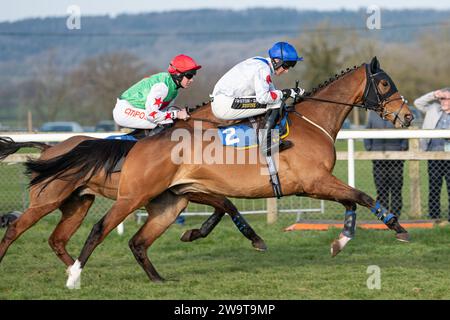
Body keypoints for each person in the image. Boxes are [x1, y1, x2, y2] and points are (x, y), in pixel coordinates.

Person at [210, 41, 305, 154]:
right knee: (276, 103)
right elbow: (264, 98)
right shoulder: (263, 68)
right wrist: (286, 93)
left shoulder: (261, 63)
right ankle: (268, 143)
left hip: (223, 101)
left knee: (276, 100)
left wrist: (288, 93)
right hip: (224, 104)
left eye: (291, 66)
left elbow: (271, 92)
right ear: (277, 61)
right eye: (287, 65)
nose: (287, 70)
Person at [113, 54, 201, 133]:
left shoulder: (174, 89)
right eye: (189, 76)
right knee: (166, 122)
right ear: (178, 74)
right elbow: (152, 115)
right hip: (124, 111)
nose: (192, 80)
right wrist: (176, 114)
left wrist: (178, 113)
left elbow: (163, 112)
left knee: (170, 121)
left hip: (136, 110)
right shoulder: (163, 87)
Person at [414, 88, 450, 221]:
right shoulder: (433, 109)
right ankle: (434, 217)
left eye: (446, 99)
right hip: (433, 155)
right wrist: (434, 94)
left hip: (449, 156)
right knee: (434, 186)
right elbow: (418, 103)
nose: (443, 101)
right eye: (442, 98)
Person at [364, 110, 408, 217]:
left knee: (396, 188)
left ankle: (395, 215)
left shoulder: (398, 113)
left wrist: (402, 149)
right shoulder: (373, 114)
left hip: (396, 157)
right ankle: (383, 215)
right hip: (378, 157)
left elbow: (404, 133)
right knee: (381, 188)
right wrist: (369, 148)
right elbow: (367, 132)